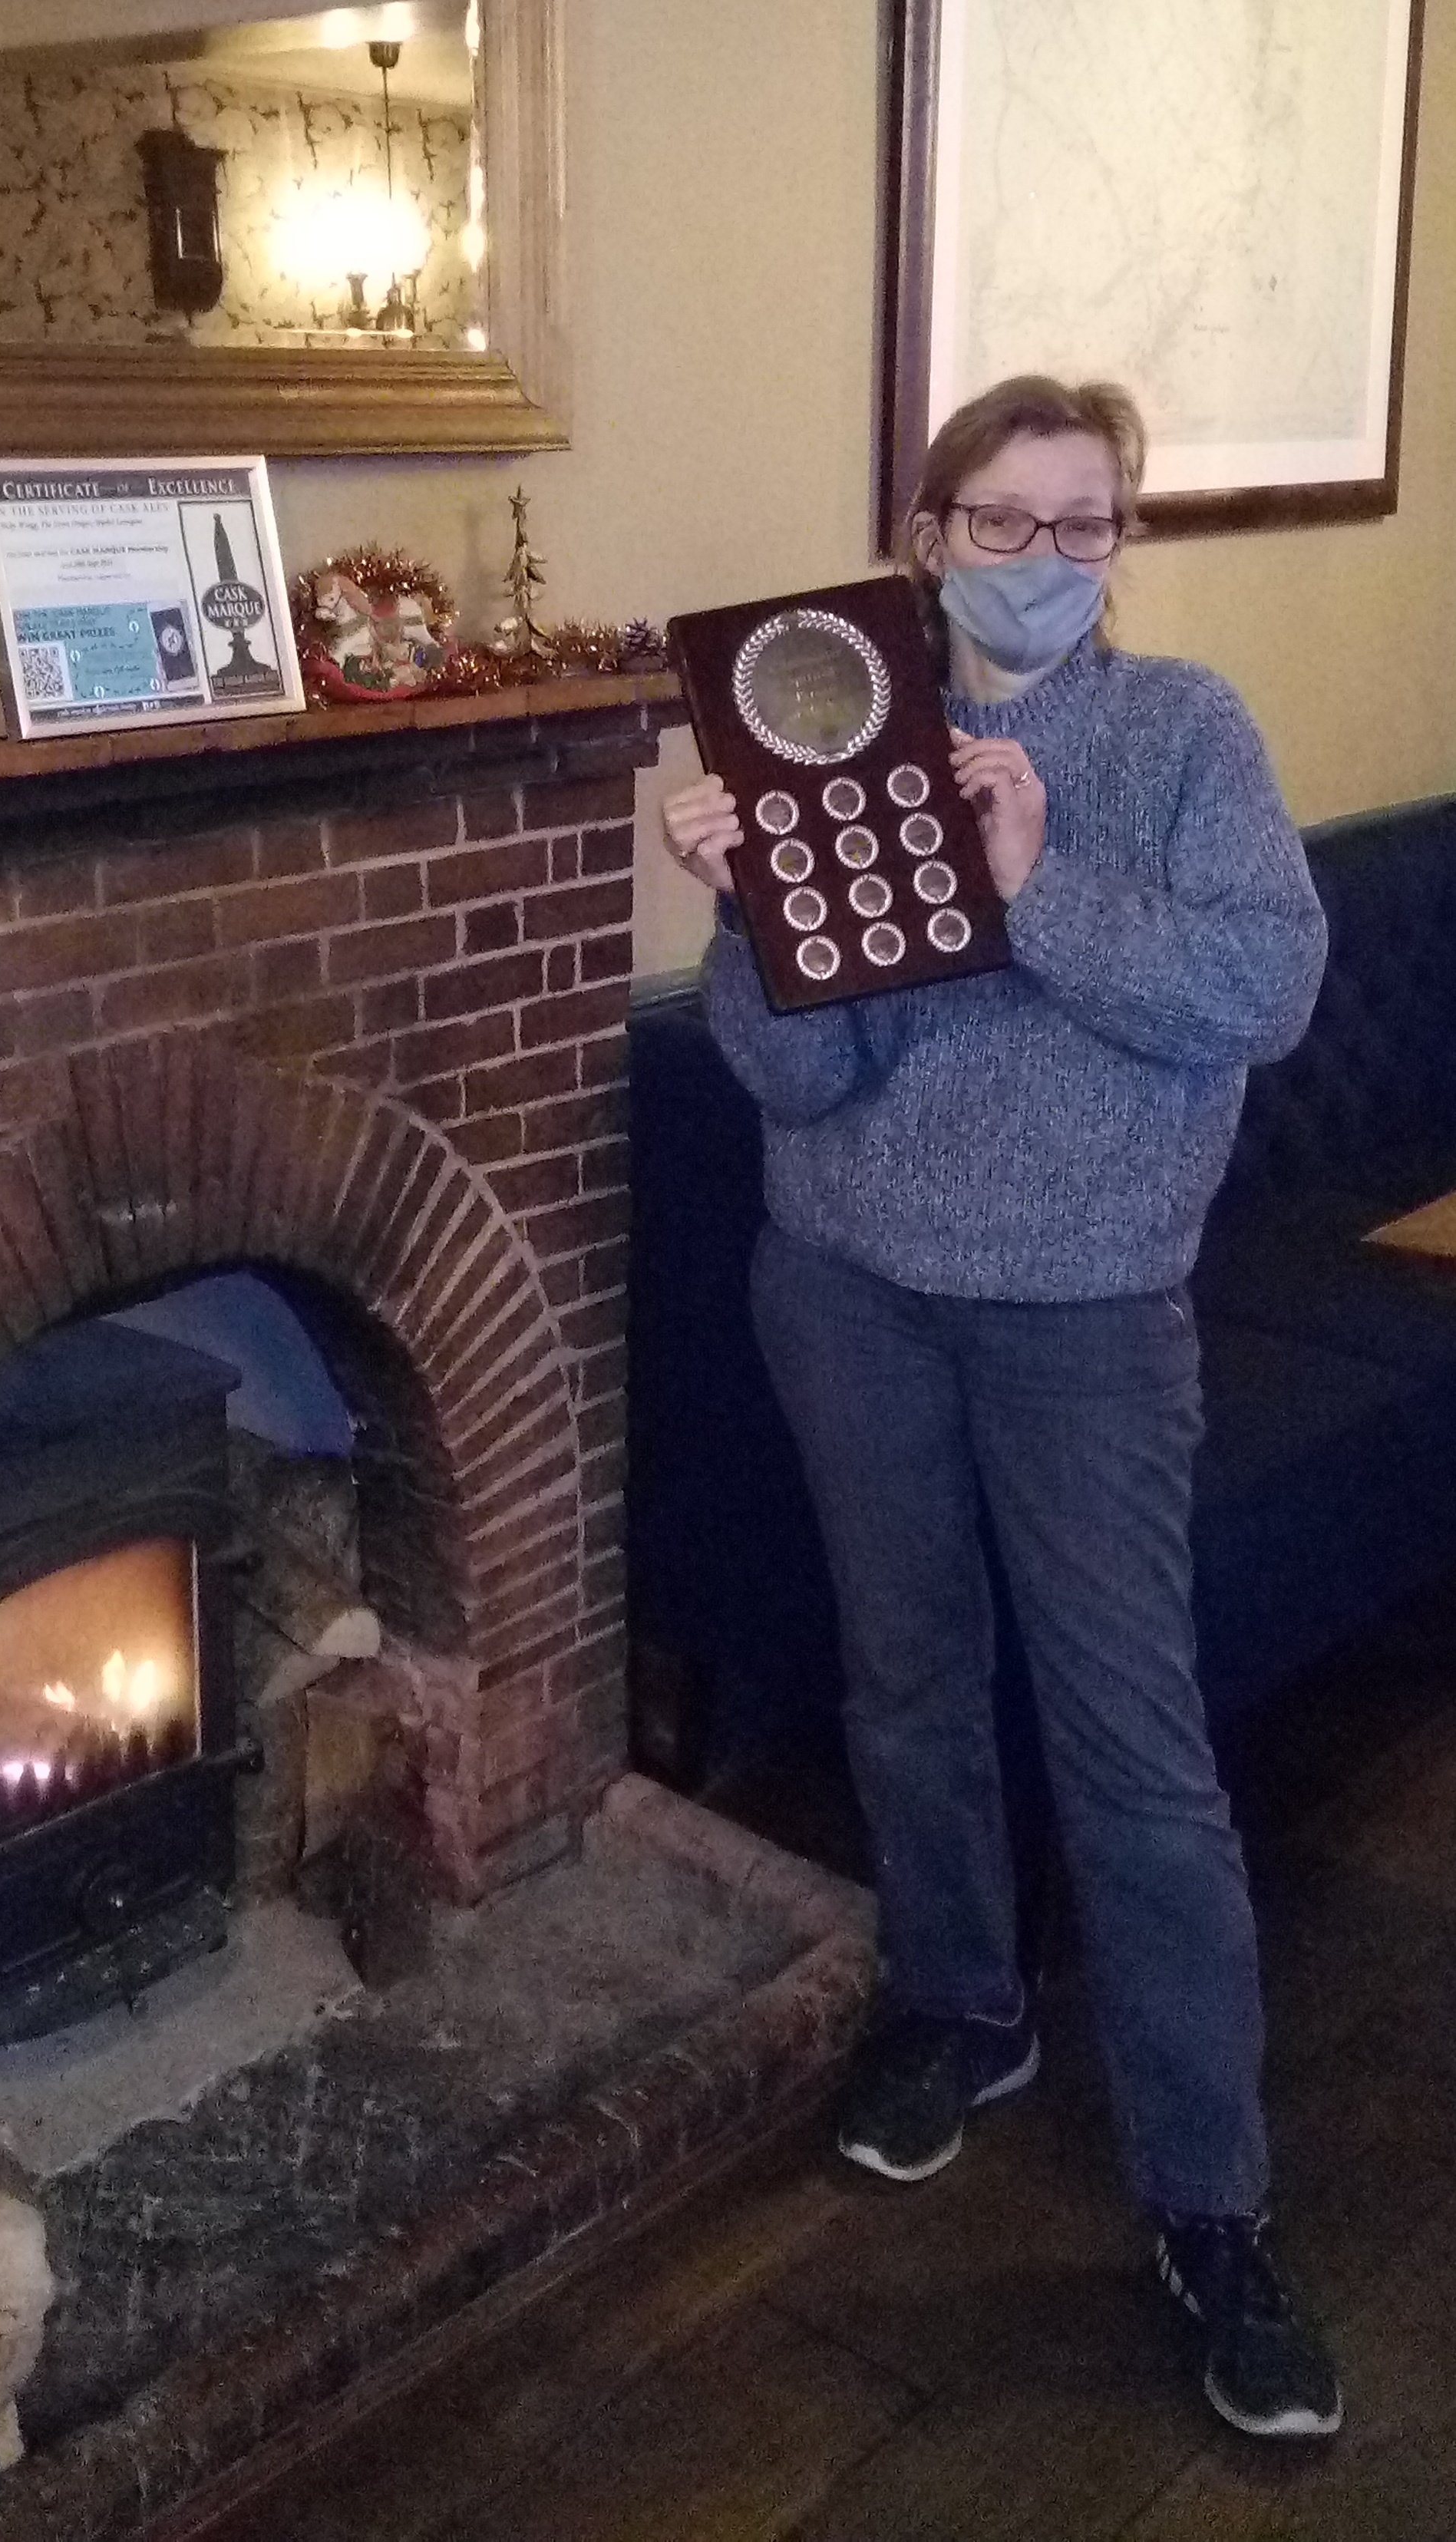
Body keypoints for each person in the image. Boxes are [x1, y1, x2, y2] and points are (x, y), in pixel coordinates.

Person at [661, 375, 1342, 2441]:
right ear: (925, 527)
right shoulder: (822, 730)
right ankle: (960, 2010)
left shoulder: (1176, 735)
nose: (1047, 560)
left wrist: (1031, 878)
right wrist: (755, 909)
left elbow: (1263, 992)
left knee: (1136, 1756)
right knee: (907, 1680)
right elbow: (797, 1081)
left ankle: (1209, 2206)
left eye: (1086, 524)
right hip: (848, 1288)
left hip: (1087, 1313)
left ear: (1116, 544)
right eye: (1006, 520)